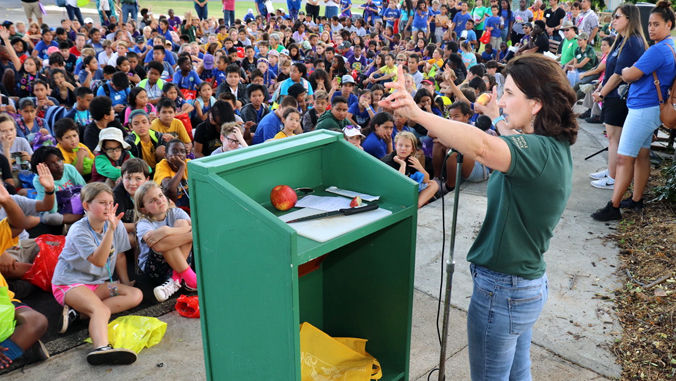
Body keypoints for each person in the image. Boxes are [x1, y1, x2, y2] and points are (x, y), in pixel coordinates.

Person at [382, 55, 578, 379]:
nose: (501, 100)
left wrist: (417, 113)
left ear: (536, 104)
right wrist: (497, 118)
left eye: (510, 93)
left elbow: (485, 148)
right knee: (519, 373)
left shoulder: (536, 152)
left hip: (503, 290)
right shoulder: (550, 146)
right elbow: (510, 142)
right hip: (524, 284)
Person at [592, 1, 675, 221]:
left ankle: (614, 205)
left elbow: (628, 75)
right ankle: (636, 199)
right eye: (649, 23)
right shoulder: (670, 46)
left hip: (642, 109)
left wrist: (629, 69)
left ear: (669, 25)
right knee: (641, 154)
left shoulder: (658, 49)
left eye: (656, 24)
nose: (651, 28)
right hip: (651, 107)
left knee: (623, 158)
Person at [51, 182, 142, 365]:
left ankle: (77, 314)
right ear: (86, 206)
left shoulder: (115, 226)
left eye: (110, 202)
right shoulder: (79, 230)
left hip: (96, 285)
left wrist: (124, 281)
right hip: (70, 284)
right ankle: (101, 348)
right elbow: (99, 260)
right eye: (102, 202)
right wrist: (111, 230)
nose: (108, 207)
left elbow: (121, 255)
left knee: (134, 295)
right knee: (100, 309)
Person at [590, 3, 647, 190]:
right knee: (612, 137)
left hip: (619, 96)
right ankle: (611, 171)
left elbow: (619, 75)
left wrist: (601, 93)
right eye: (613, 16)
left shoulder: (632, 42)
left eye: (617, 16)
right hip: (612, 95)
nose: (613, 20)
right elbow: (610, 69)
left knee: (614, 137)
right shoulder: (621, 40)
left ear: (629, 19)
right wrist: (600, 86)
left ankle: (614, 178)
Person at [0, 179, 50, 367]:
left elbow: (18, 225)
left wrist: (7, 200)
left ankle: (12, 348)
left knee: (37, 322)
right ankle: (18, 349)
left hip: (4, 302)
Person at [381, 131, 438, 208]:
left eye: (407, 146)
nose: (403, 148)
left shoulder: (410, 159)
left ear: (412, 149)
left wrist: (419, 167)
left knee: (433, 184)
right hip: (391, 193)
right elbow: (398, 185)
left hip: (406, 190)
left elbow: (426, 180)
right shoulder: (389, 161)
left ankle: (416, 206)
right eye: (400, 145)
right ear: (395, 145)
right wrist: (402, 165)